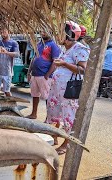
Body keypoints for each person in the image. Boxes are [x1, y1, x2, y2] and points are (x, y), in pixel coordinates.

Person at [45, 21, 90, 155]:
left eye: (61, 33)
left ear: (69, 35)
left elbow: (82, 69)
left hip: (68, 91)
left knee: (68, 117)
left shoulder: (80, 48)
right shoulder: (66, 49)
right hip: (57, 89)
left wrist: (64, 63)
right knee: (54, 113)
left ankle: (67, 143)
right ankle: (54, 137)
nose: (58, 35)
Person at [27, 30, 61, 119]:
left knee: (48, 97)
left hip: (44, 75)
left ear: (51, 33)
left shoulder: (53, 45)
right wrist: (29, 71)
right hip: (35, 74)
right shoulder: (39, 44)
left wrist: (48, 74)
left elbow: (55, 61)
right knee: (34, 94)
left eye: (45, 32)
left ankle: (49, 118)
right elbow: (33, 58)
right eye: (42, 32)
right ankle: (34, 114)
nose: (43, 33)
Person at [0, 27, 20, 96]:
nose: (2, 34)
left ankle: (10, 105)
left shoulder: (13, 43)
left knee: (7, 91)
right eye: (1, 32)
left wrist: (6, 52)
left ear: (8, 32)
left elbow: (17, 54)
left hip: (7, 71)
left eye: (4, 32)